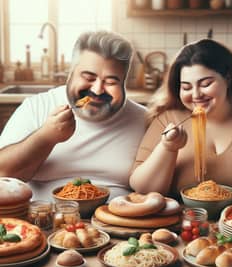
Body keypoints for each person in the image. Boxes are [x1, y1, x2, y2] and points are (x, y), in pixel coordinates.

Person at [129, 39, 232, 204]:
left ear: (228, 78)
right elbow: (143, 189)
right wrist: (167, 148)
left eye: (206, 83)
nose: (196, 95)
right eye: (186, 87)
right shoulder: (167, 119)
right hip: (181, 225)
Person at [0, 30, 147, 201]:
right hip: (40, 220)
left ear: (124, 83)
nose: (97, 90)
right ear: (70, 74)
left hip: (119, 224)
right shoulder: (38, 106)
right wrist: (46, 137)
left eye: (111, 82)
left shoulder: (144, 120)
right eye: (89, 77)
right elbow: (3, 174)